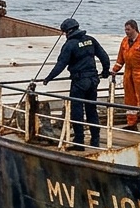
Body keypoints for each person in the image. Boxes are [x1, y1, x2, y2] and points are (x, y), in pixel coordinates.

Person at [41, 18, 112, 149]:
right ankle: (95, 140)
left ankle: (79, 142)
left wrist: (48, 78)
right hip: (93, 80)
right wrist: (106, 71)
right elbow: (104, 57)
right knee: (92, 110)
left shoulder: (70, 45)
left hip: (79, 82)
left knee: (77, 112)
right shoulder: (90, 40)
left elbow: (61, 65)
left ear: (68, 31)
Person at [110, 19, 140, 132]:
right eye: (125, 29)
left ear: (134, 29)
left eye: (128, 29)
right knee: (129, 99)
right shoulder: (125, 41)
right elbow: (120, 59)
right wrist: (114, 70)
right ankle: (131, 123)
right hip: (128, 73)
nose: (126, 32)